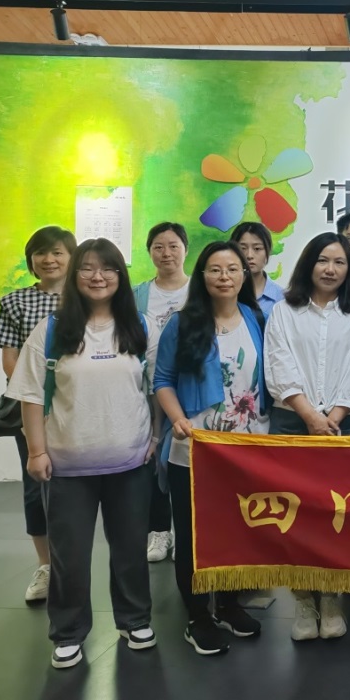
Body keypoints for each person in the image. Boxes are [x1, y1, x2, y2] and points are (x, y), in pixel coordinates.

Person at [5, 238, 155, 669]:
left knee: (130, 548)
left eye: (107, 268)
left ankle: (135, 619)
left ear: (120, 276)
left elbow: (155, 385)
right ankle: (68, 632)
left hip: (130, 461)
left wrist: (155, 437)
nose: (97, 276)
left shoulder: (139, 325)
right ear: (75, 276)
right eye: (87, 268)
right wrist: (36, 451)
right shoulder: (51, 329)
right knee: (69, 556)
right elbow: (30, 394)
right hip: (68, 464)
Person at [153, 241, 269, 657]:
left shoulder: (254, 317)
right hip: (194, 448)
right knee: (193, 536)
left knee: (239, 529)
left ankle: (230, 604)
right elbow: (162, 380)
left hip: (246, 447)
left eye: (233, 269)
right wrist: (177, 419)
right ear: (201, 276)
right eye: (215, 269)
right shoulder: (182, 323)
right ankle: (198, 616)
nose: (224, 277)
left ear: (244, 275)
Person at [265, 232, 350, 641]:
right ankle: (303, 602)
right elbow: (279, 363)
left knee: (338, 515)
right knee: (296, 516)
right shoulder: (284, 311)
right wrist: (310, 415)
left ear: (349, 269)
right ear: (308, 263)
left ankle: (331, 598)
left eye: (339, 262)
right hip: (293, 421)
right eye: (323, 260)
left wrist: (334, 416)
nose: (330, 269)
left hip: (345, 422)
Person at [0, 225, 76, 604]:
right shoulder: (15, 302)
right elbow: (11, 362)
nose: (49, 259)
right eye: (41, 252)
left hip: (79, 407)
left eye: (57, 252)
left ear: (71, 258)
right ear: (31, 260)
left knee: (77, 487)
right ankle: (45, 565)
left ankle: (73, 562)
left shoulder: (86, 298)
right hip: (32, 408)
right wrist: (39, 397)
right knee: (35, 486)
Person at [133, 221, 190, 565]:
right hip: (145, 389)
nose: (166, 253)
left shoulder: (199, 289)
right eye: (158, 247)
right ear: (149, 252)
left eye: (173, 246)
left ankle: (186, 532)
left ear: (185, 249)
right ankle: (158, 529)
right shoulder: (138, 294)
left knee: (182, 460)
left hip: (187, 388)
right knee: (152, 457)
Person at [231, 221, 284, 321]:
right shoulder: (224, 292)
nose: (249, 255)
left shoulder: (282, 298)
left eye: (257, 248)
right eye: (243, 248)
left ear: (268, 251)